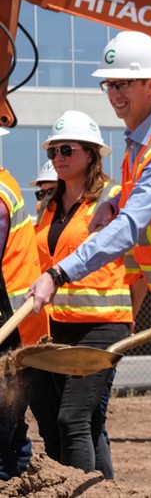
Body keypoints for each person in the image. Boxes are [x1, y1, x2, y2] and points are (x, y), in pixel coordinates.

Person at [26, 31, 151, 489]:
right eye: (111, 85)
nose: (116, 94)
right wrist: (116, 199)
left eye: (126, 83)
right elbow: (135, 199)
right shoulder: (141, 139)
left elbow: (132, 227)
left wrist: (60, 272)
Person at [31, 110, 131, 479]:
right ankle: (106, 489)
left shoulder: (113, 198)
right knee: (89, 421)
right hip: (60, 327)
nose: (58, 157)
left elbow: (133, 264)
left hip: (104, 326)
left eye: (67, 149)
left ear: (90, 154)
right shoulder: (49, 207)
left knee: (71, 417)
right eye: (54, 151)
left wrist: (128, 317)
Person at [0, 133, 49, 479]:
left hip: (10, 326)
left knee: (4, 422)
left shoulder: (1, 195)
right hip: (13, 323)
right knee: (10, 427)